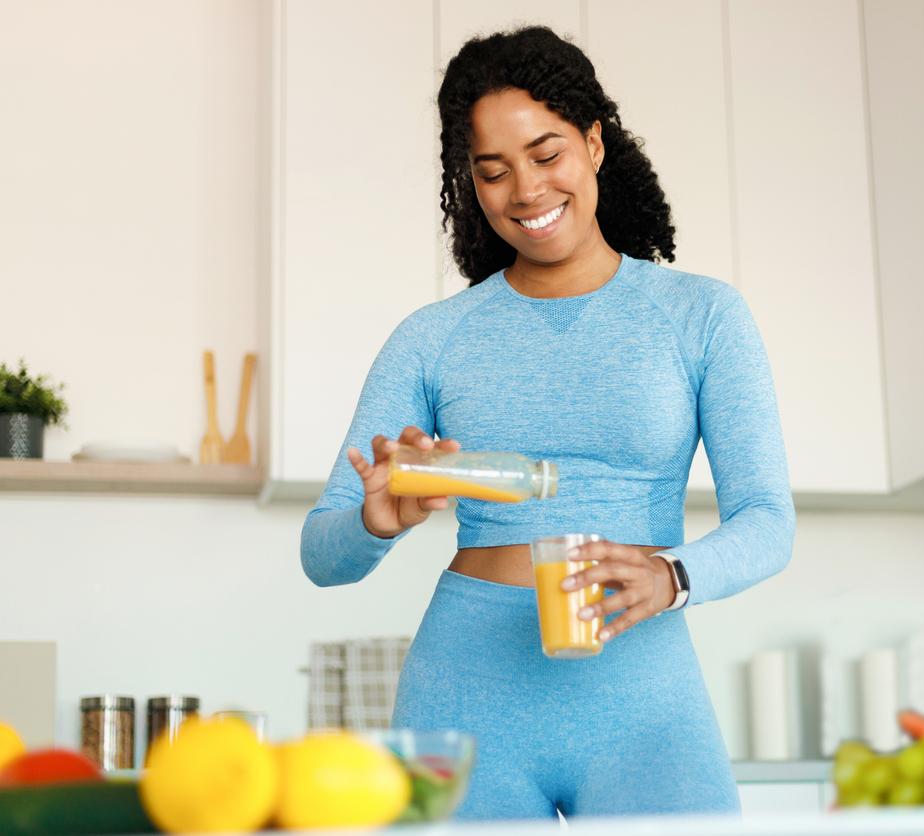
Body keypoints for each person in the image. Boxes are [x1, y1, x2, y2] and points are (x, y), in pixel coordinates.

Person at [301, 25, 795, 821]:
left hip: (644, 695)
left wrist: (673, 576)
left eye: (547, 153)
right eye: (492, 171)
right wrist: (376, 520)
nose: (525, 191)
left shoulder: (701, 316)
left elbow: (769, 521)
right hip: (465, 697)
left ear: (595, 143)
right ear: (470, 182)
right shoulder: (432, 338)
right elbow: (322, 555)